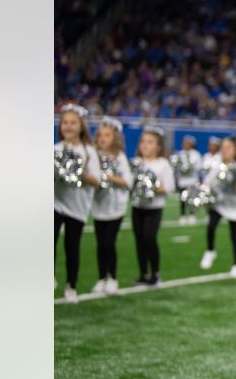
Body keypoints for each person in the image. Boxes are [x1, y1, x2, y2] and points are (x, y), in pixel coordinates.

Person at [54, 104, 100, 302]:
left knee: (72, 247)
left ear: (81, 126)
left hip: (78, 207)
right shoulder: (55, 149)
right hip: (55, 203)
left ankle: (71, 286)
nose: (68, 126)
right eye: (65, 122)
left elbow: (97, 180)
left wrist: (76, 170)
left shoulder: (89, 151)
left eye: (73, 122)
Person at [130, 126, 176, 286]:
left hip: (154, 208)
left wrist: (149, 187)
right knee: (139, 240)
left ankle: (155, 274)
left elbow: (169, 187)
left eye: (150, 142)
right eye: (143, 141)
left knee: (149, 238)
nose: (145, 145)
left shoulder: (163, 164)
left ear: (158, 146)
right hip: (137, 206)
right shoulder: (136, 162)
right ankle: (143, 273)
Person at [90, 118, 130, 295]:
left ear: (115, 138)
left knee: (109, 243)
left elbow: (127, 181)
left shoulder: (119, 157)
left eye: (107, 135)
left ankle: (112, 278)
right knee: (100, 244)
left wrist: (107, 176)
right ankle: (101, 278)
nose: (103, 139)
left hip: (116, 207)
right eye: (100, 135)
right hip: (98, 207)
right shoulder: (92, 155)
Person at [199, 136, 236, 278]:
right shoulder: (216, 164)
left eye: (229, 148)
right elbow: (207, 182)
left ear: (235, 150)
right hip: (219, 202)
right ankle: (210, 250)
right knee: (211, 226)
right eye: (223, 147)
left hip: (234, 204)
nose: (225, 150)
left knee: (234, 235)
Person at [174, 135, 202, 225]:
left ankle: (192, 215)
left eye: (187, 143)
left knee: (192, 198)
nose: (185, 144)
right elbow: (176, 167)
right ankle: (182, 215)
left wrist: (190, 167)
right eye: (184, 142)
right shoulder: (179, 154)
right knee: (182, 199)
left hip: (192, 180)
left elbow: (199, 167)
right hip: (182, 180)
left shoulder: (196, 154)